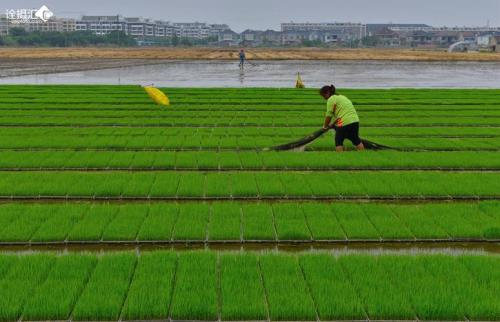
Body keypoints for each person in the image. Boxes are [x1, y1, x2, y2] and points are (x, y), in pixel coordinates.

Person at [320, 84, 364, 152]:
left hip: (344, 121)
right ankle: (362, 154)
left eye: (323, 95)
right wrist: (333, 124)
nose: (323, 98)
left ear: (328, 93)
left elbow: (328, 115)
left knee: (338, 140)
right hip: (355, 120)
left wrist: (324, 127)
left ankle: (340, 157)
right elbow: (342, 112)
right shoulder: (342, 97)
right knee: (356, 139)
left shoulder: (331, 99)